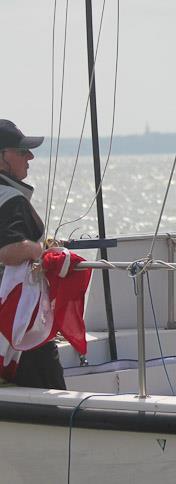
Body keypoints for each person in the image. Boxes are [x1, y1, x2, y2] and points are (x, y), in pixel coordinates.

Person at [0, 119, 66, 389]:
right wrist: (43, 250)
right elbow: (10, 251)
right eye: (21, 151)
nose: (30, 157)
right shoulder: (11, 200)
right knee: (52, 399)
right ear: (2, 156)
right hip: (18, 324)